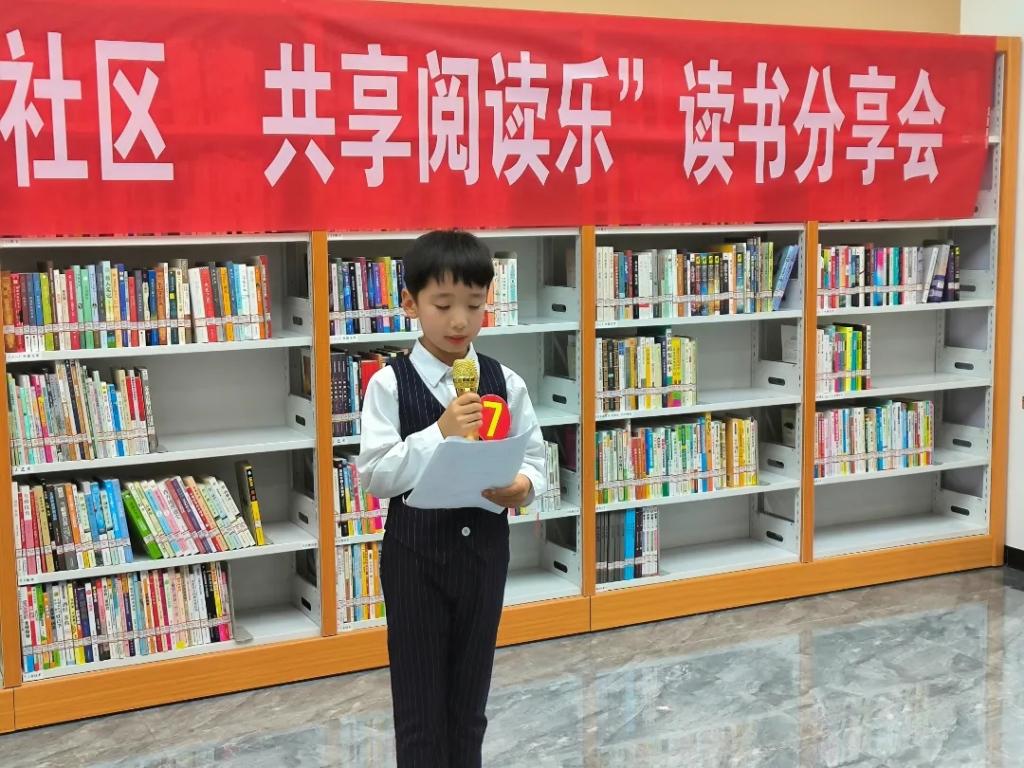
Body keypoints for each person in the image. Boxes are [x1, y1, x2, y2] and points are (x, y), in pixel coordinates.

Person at [356, 229, 547, 768]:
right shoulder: (389, 385)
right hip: (415, 559)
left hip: (483, 555)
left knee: (469, 703)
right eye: (443, 305)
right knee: (419, 705)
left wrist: (522, 488)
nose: (460, 320)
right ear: (410, 303)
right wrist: (438, 432)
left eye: (474, 304)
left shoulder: (504, 381)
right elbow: (376, 475)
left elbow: (535, 458)